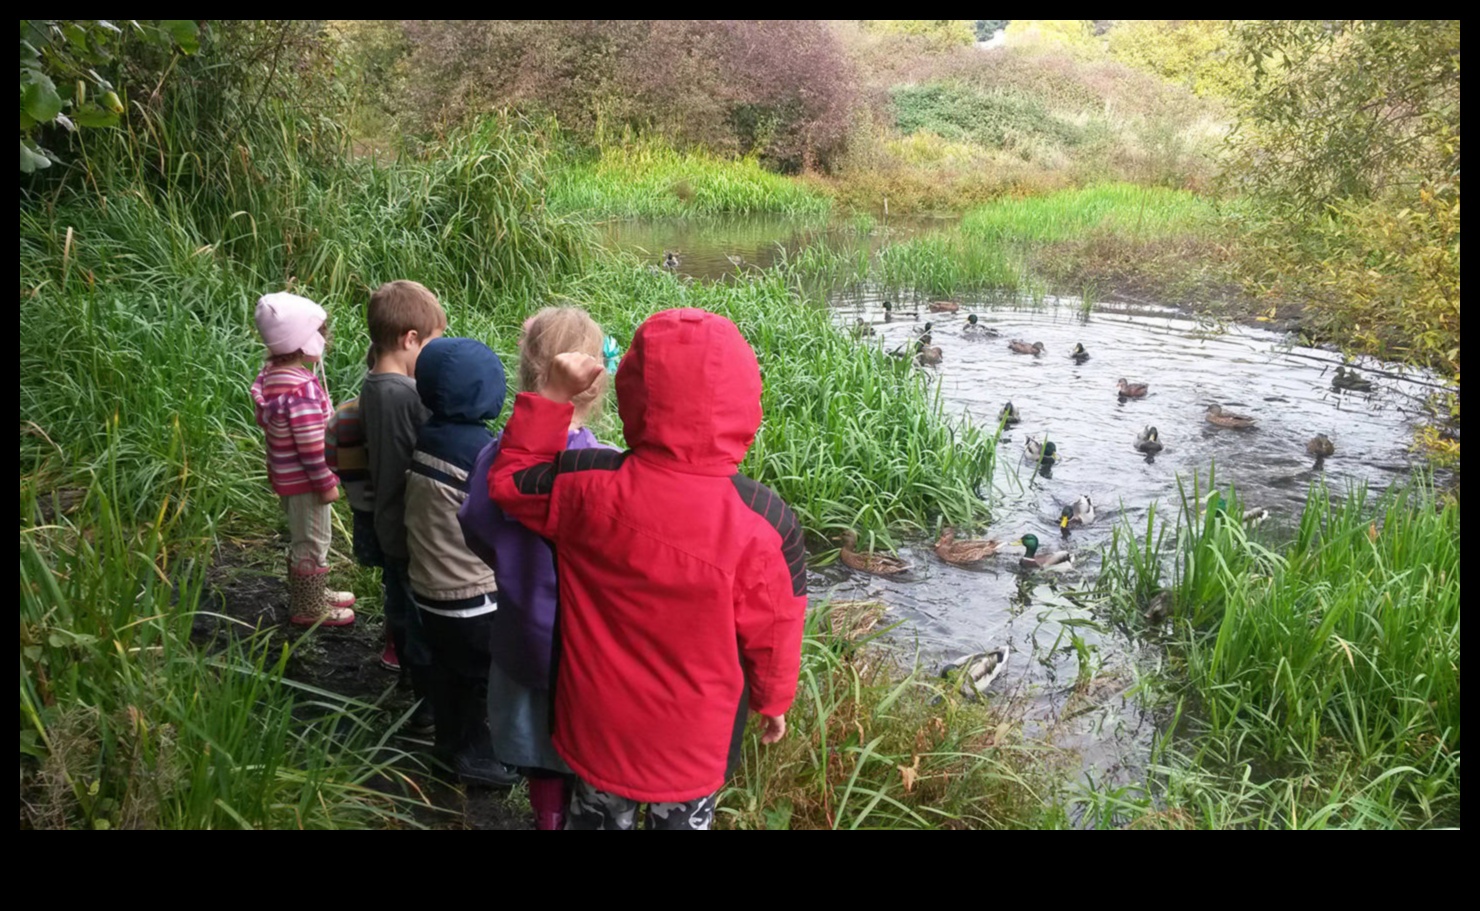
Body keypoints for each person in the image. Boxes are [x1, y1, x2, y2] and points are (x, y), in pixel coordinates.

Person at [489, 307, 807, 830]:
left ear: (633, 390)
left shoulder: (584, 485)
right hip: (693, 747)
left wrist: (551, 394)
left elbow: (511, 481)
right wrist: (774, 700)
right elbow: (775, 627)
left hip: (597, 731)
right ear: (746, 399)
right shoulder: (765, 522)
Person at [459, 306, 613, 829]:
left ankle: (546, 819)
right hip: (583, 647)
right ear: (597, 382)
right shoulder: (602, 467)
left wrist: (512, 565)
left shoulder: (495, 455)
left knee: (537, 747)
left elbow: (476, 521)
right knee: (582, 749)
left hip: (520, 631)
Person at [403, 335, 520, 787]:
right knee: (480, 681)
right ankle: (478, 758)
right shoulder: (479, 452)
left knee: (449, 675)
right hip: (470, 596)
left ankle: (447, 750)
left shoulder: (430, 434)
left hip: (430, 589)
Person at [360, 280, 445, 729]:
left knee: (400, 603)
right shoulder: (404, 396)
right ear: (410, 339)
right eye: (431, 342)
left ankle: (412, 685)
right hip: (408, 525)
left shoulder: (373, 381)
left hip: (387, 520)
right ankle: (428, 706)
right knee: (416, 613)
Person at [249, 291, 356, 626]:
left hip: (287, 478)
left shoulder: (272, 378)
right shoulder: (301, 390)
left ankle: (312, 593)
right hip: (307, 482)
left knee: (304, 537)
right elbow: (311, 446)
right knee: (312, 541)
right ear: (303, 342)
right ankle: (308, 608)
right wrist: (326, 484)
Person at [324, 349, 396, 667]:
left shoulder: (343, 414)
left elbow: (330, 458)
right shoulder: (404, 413)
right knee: (400, 576)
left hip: (363, 511)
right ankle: (396, 643)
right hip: (395, 514)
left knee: (388, 575)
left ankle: (390, 632)